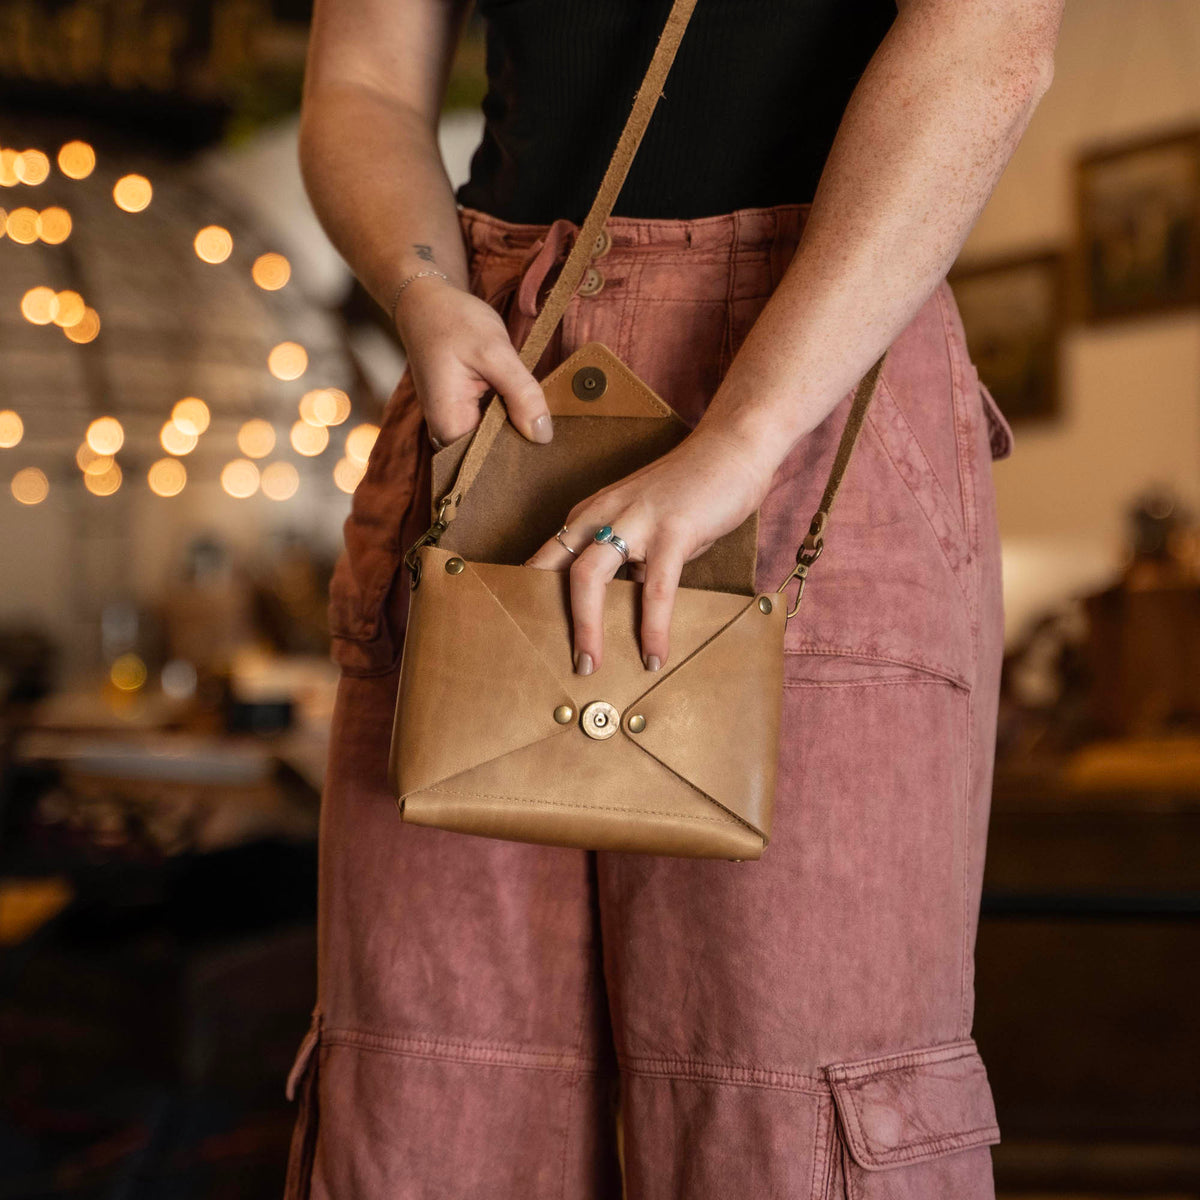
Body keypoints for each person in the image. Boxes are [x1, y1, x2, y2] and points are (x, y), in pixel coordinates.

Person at [284, 0, 1061, 1195]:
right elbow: (366, 84)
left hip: (814, 368)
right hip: (497, 373)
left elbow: (991, 40)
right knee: (429, 1105)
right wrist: (421, 287)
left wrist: (748, 434)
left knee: (790, 1107)